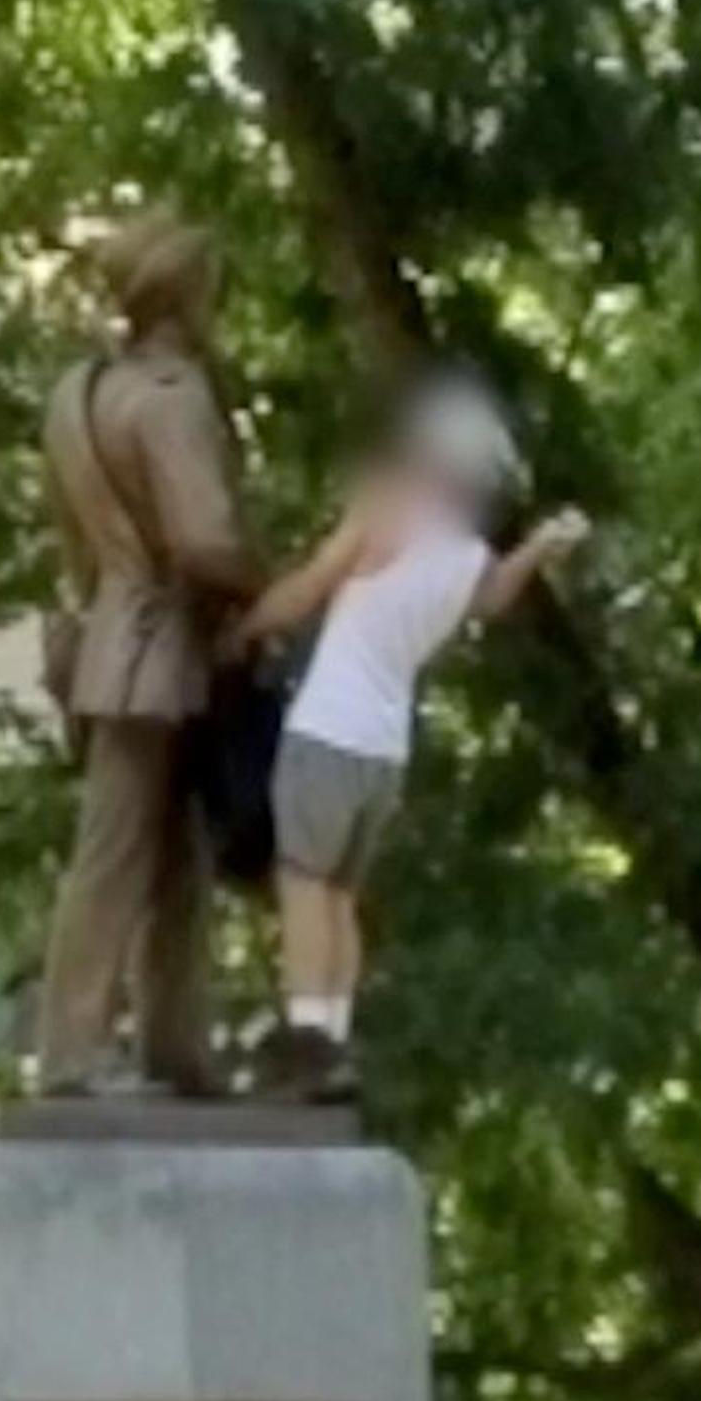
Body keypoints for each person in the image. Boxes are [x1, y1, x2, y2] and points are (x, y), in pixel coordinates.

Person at [220, 372, 591, 1103]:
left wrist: (247, 628)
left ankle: (309, 1040)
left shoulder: (387, 511)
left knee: (302, 885)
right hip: (386, 752)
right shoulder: (466, 555)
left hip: (327, 728)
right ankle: (337, 1036)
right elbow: (493, 597)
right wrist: (542, 547)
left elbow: (312, 584)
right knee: (342, 896)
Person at [36, 205, 257, 1098]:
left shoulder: (78, 394)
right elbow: (203, 541)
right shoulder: (173, 399)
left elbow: (75, 542)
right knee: (120, 850)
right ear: (184, 294)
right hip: (159, 644)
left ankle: (177, 1048)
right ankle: (72, 1049)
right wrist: (270, 585)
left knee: (175, 855)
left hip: (105, 633)